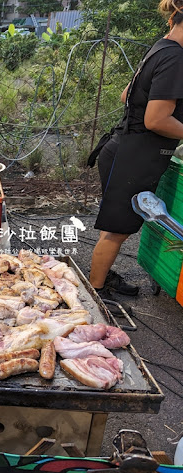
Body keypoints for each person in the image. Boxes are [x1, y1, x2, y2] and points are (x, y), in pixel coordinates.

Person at [88, 0, 183, 299]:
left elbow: (125, 94)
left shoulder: (161, 48)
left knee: (116, 225)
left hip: (122, 148)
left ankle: (101, 275)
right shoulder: (176, 59)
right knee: (118, 230)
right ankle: (97, 293)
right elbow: (155, 119)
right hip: (135, 155)